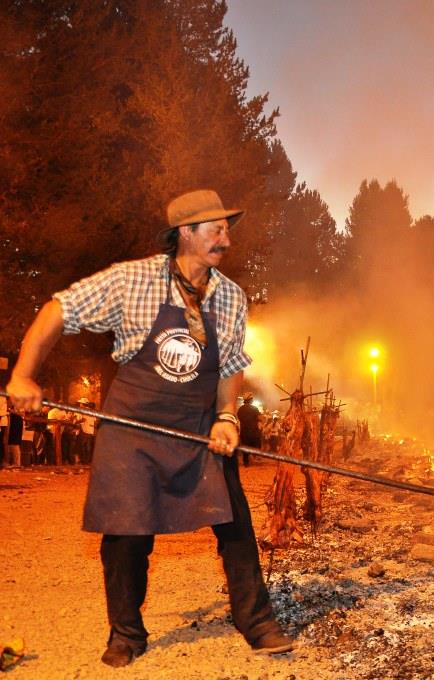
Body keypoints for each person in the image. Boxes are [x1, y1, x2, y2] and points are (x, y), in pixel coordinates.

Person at [4, 189, 293, 667]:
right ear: (185, 233)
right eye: (215, 228)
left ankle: (257, 620)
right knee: (126, 533)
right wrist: (22, 375)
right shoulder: (131, 280)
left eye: (226, 228)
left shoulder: (230, 296)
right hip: (132, 427)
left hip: (196, 427)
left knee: (235, 523)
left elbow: (230, 367)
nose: (225, 237)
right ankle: (126, 632)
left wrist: (225, 416)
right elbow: (60, 310)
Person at [237, 392, 261, 466]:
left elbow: (239, 418)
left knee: (245, 446)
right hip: (253, 431)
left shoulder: (240, 409)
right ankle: (253, 456)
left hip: (244, 431)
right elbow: (259, 418)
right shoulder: (254, 409)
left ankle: (246, 462)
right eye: (252, 399)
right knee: (256, 444)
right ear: (250, 400)